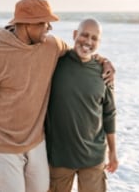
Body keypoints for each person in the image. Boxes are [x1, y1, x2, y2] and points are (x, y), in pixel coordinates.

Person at [0, 0, 115, 192]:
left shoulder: (50, 45)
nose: (50, 28)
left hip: (36, 139)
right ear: (28, 24)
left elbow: (80, 52)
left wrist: (103, 61)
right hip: (2, 142)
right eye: (45, 23)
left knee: (42, 188)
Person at [45, 18, 118, 192]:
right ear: (74, 35)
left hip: (94, 159)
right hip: (59, 158)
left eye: (94, 38)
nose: (88, 42)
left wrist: (113, 151)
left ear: (99, 43)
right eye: (84, 35)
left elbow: (109, 113)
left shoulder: (104, 73)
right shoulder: (55, 63)